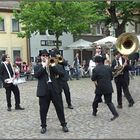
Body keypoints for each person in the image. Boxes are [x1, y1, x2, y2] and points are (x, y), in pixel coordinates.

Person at [34, 49, 69, 134]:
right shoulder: (37, 66)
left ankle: (63, 124)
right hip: (43, 90)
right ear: (40, 57)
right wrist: (44, 66)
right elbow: (37, 75)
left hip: (55, 89)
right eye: (43, 56)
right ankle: (43, 126)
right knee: (43, 109)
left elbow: (61, 73)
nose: (45, 57)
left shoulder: (53, 64)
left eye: (47, 56)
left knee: (59, 108)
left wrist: (52, 65)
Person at [91, 55, 119, 121]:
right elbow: (111, 77)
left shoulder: (95, 69)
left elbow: (93, 78)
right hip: (108, 87)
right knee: (109, 102)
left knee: (95, 101)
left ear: (96, 62)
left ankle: (94, 112)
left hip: (99, 88)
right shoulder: (108, 67)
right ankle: (115, 114)